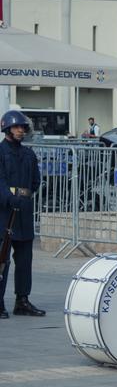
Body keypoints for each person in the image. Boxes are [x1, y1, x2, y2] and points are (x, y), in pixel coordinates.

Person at [0, 110, 42, 319]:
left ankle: (22, 300)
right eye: (17, 127)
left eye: (23, 127)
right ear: (7, 128)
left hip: (24, 212)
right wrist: (9, 197)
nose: (20, 130)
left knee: (25, 260)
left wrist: (24, 197)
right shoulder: (0, 152)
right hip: (4, 213)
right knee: (2, 260)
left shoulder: (28, 154)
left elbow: (36, 180)